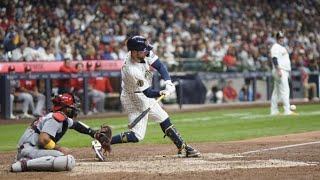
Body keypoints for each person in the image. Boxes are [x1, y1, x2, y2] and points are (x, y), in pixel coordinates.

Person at [110, 36, 200, 157]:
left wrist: (168, 82)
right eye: (144, 50)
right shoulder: (131, 70)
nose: (147, 51)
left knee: (163, 118)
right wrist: (162, 92)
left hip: (141, 94)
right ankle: (102, 142)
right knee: (137, 135)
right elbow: (148, 92)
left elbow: (160, 66)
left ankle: (182, 147)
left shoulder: (142, 53)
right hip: (134, 98)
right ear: (134, 52)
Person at [10, 93, 105, 172]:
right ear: (65, 107)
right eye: (73, 106)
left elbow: (76, 125)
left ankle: (27, 160)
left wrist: (94, 134)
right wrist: (60, 148)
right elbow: (43, 140)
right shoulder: (55, 118)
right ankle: (24, 164)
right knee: (67, 160)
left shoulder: (60, 117)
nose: (75, 108)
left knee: (64, 158)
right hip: (29, 150)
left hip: (30, 149)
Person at [270, 31, 297, 115]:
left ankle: (274, 111)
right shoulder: (275, 47)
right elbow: (274, 59)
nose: (281, 39)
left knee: (276, 91)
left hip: (283, 70)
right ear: (277, 39)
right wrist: (279, 70)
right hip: (280, 70)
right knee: (285, 90)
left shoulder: (282, 47)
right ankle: (287, 110)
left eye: (282, 38)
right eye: (279, 38)